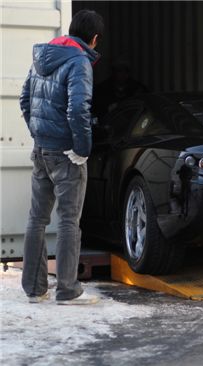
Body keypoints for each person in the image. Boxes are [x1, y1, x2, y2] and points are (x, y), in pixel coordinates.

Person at [19, 10, 104, 304]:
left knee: (37, 219)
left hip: (41, 149)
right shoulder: (79, 61)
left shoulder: (43, 56)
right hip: (66, 153)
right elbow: (78, 109)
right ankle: (67, 289)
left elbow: (25, 100)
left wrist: (39, 133)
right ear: (93, 39)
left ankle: (34, 289)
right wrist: (81, 149)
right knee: (69, 220)